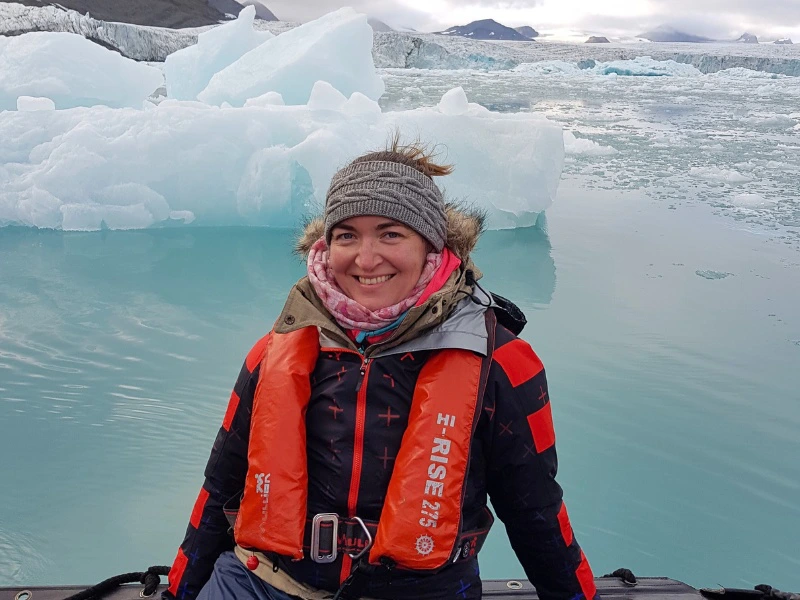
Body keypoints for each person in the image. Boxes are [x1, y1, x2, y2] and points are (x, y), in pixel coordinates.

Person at [163, 140, 599, 600]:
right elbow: (221, 487)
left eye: (390, 234)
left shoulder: (497, 359)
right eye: (346, 235)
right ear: (326, 244)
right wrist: (179, 592)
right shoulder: (276, 349)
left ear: (431, 243)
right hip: (263, 579)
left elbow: (535, 509)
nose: (366, 259)